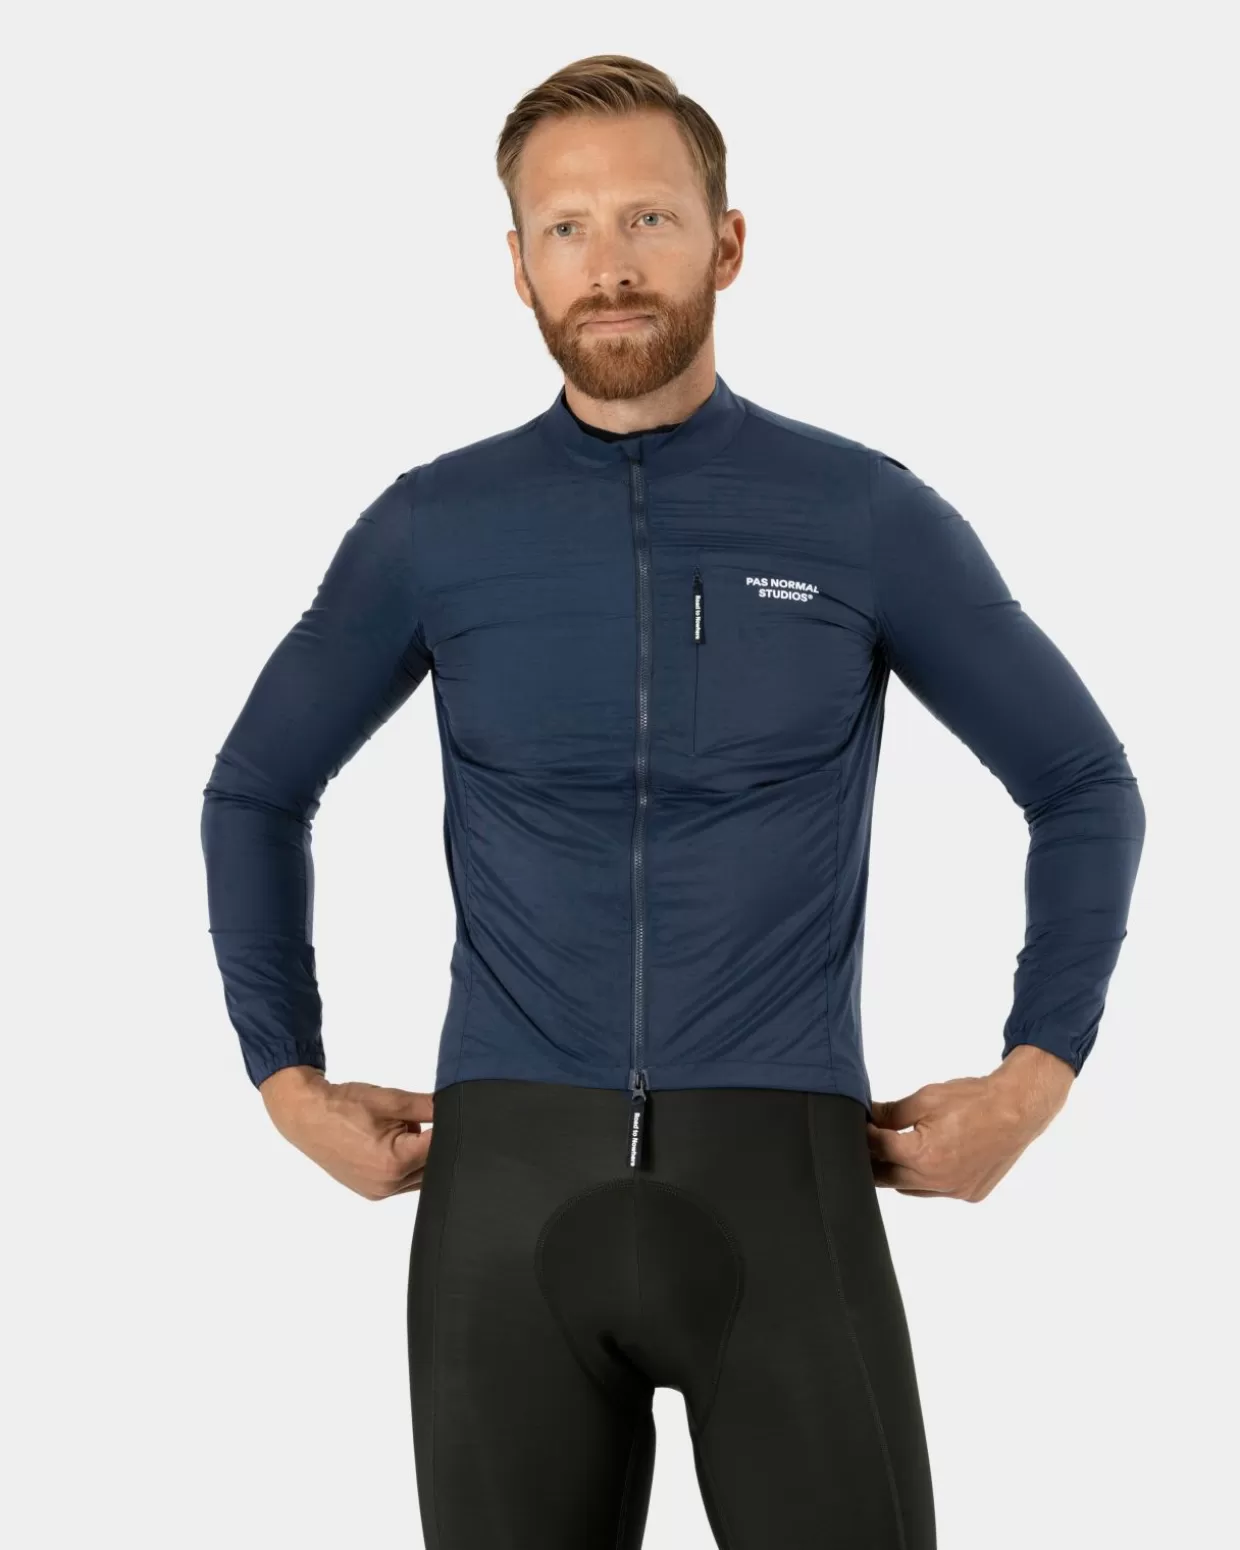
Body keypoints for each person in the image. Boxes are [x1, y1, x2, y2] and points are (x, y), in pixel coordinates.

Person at [200, 53, 1146, 1550]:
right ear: (518, 264)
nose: (610, 264)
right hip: (504, 1201)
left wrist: (1034, 1078)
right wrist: (283, 1077)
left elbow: (1083, 784)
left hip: (783, 1188)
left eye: (648, 217)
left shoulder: (860, 515)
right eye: (566, 228)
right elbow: (256, 791)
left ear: (728, 242)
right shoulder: (435, 529)